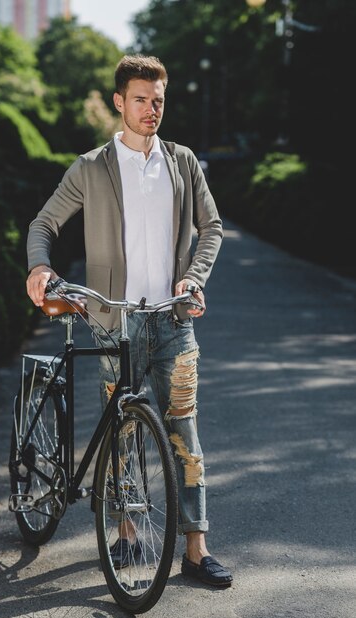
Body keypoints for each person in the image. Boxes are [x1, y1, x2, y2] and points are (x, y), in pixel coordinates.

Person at [26, 54, 233, 587]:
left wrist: (194, 277)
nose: (151, 109)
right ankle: (126, 534)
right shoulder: (92, 167)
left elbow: (211, 226)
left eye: (158, 99)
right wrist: (41, 266)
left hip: (172, 318)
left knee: (184, 431)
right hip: (114, 323)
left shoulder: (183, 162)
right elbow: (44, 222)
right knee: (123, 433)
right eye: (140, 99)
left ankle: (195, 547)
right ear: (120, 102)